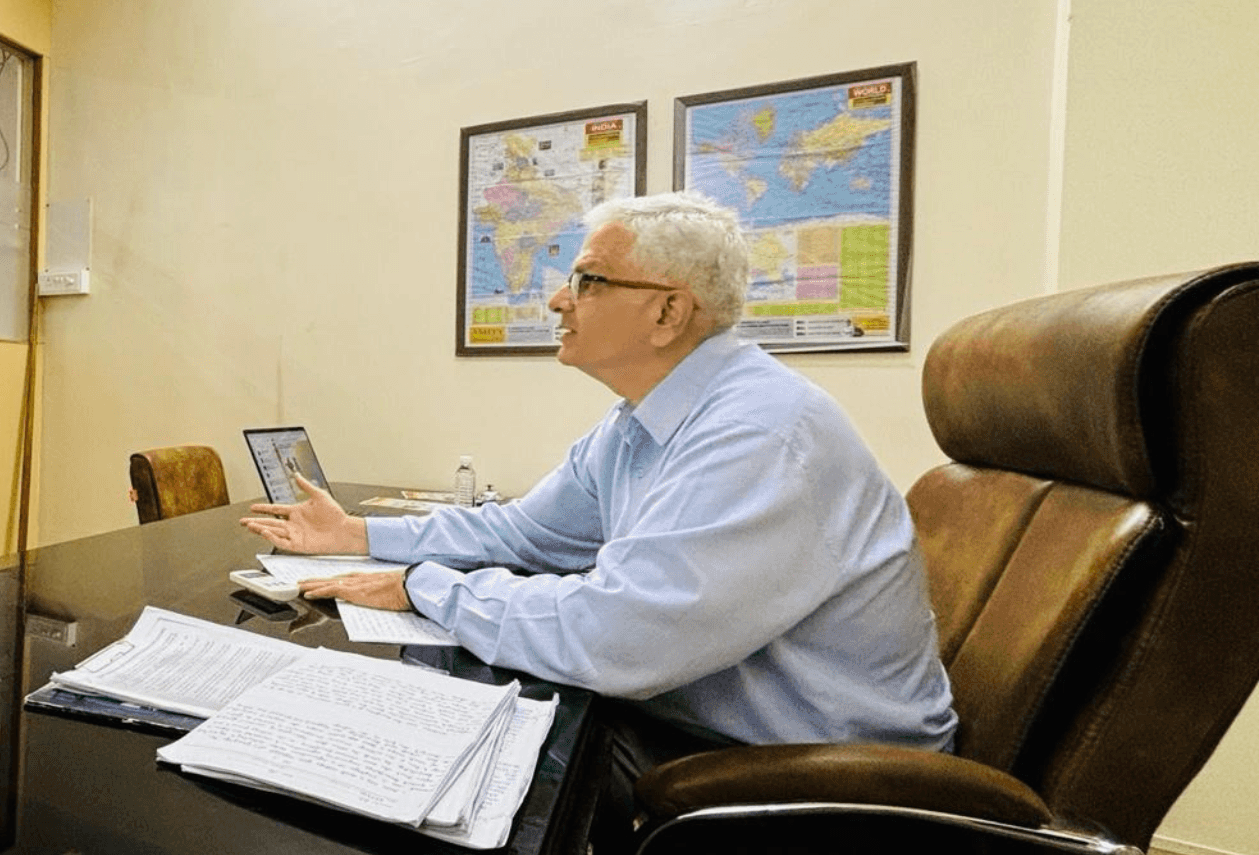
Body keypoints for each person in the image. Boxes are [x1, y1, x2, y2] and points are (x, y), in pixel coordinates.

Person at [242, 191, 954, 819]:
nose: (557, 300)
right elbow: (521, 533)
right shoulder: (639, 425)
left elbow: (613, 638)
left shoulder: (761, 433)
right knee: (460, 705)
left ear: (669, 311)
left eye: (587, 280)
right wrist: (360, 534)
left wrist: (421, 585)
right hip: (725, 729)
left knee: (459, 753)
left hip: (834, 795)